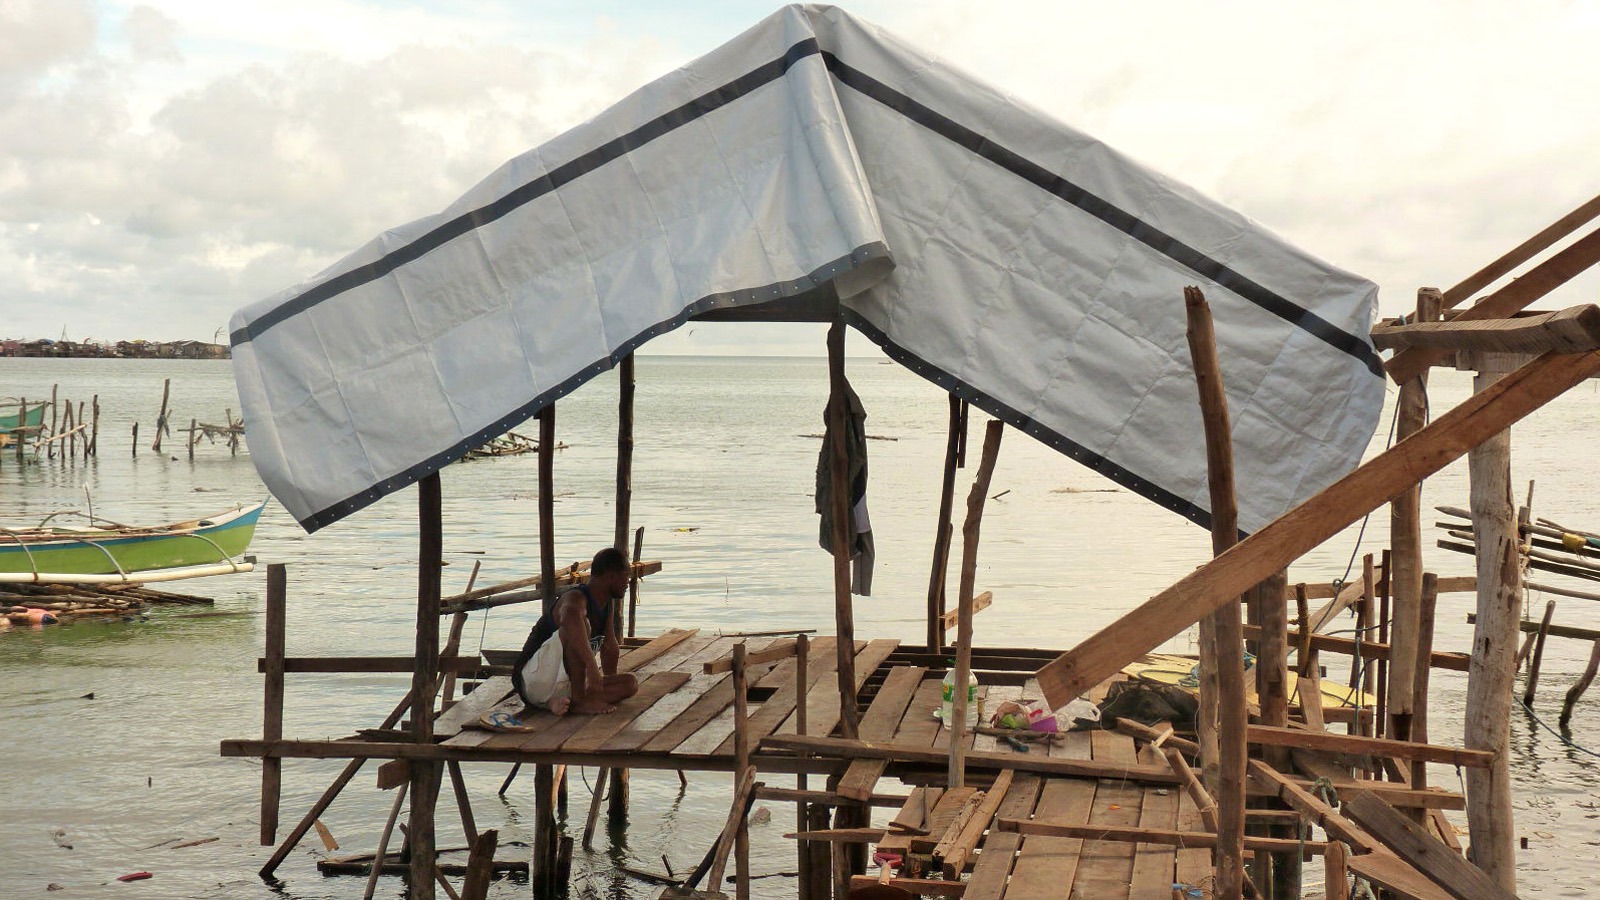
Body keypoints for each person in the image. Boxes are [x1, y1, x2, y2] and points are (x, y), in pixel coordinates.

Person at [511, 547, 639, 715]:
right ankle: (578, 701)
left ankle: (562, 702)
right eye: (626, 576)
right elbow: (569, 620)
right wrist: (593, 668)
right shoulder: (575, 598)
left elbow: (609, 647)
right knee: (578, 625)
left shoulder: (607, 603)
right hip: (533, 679)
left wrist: (602, 683)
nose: (628, 583)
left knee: (630, 683)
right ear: (611, 576)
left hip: (563, 683)